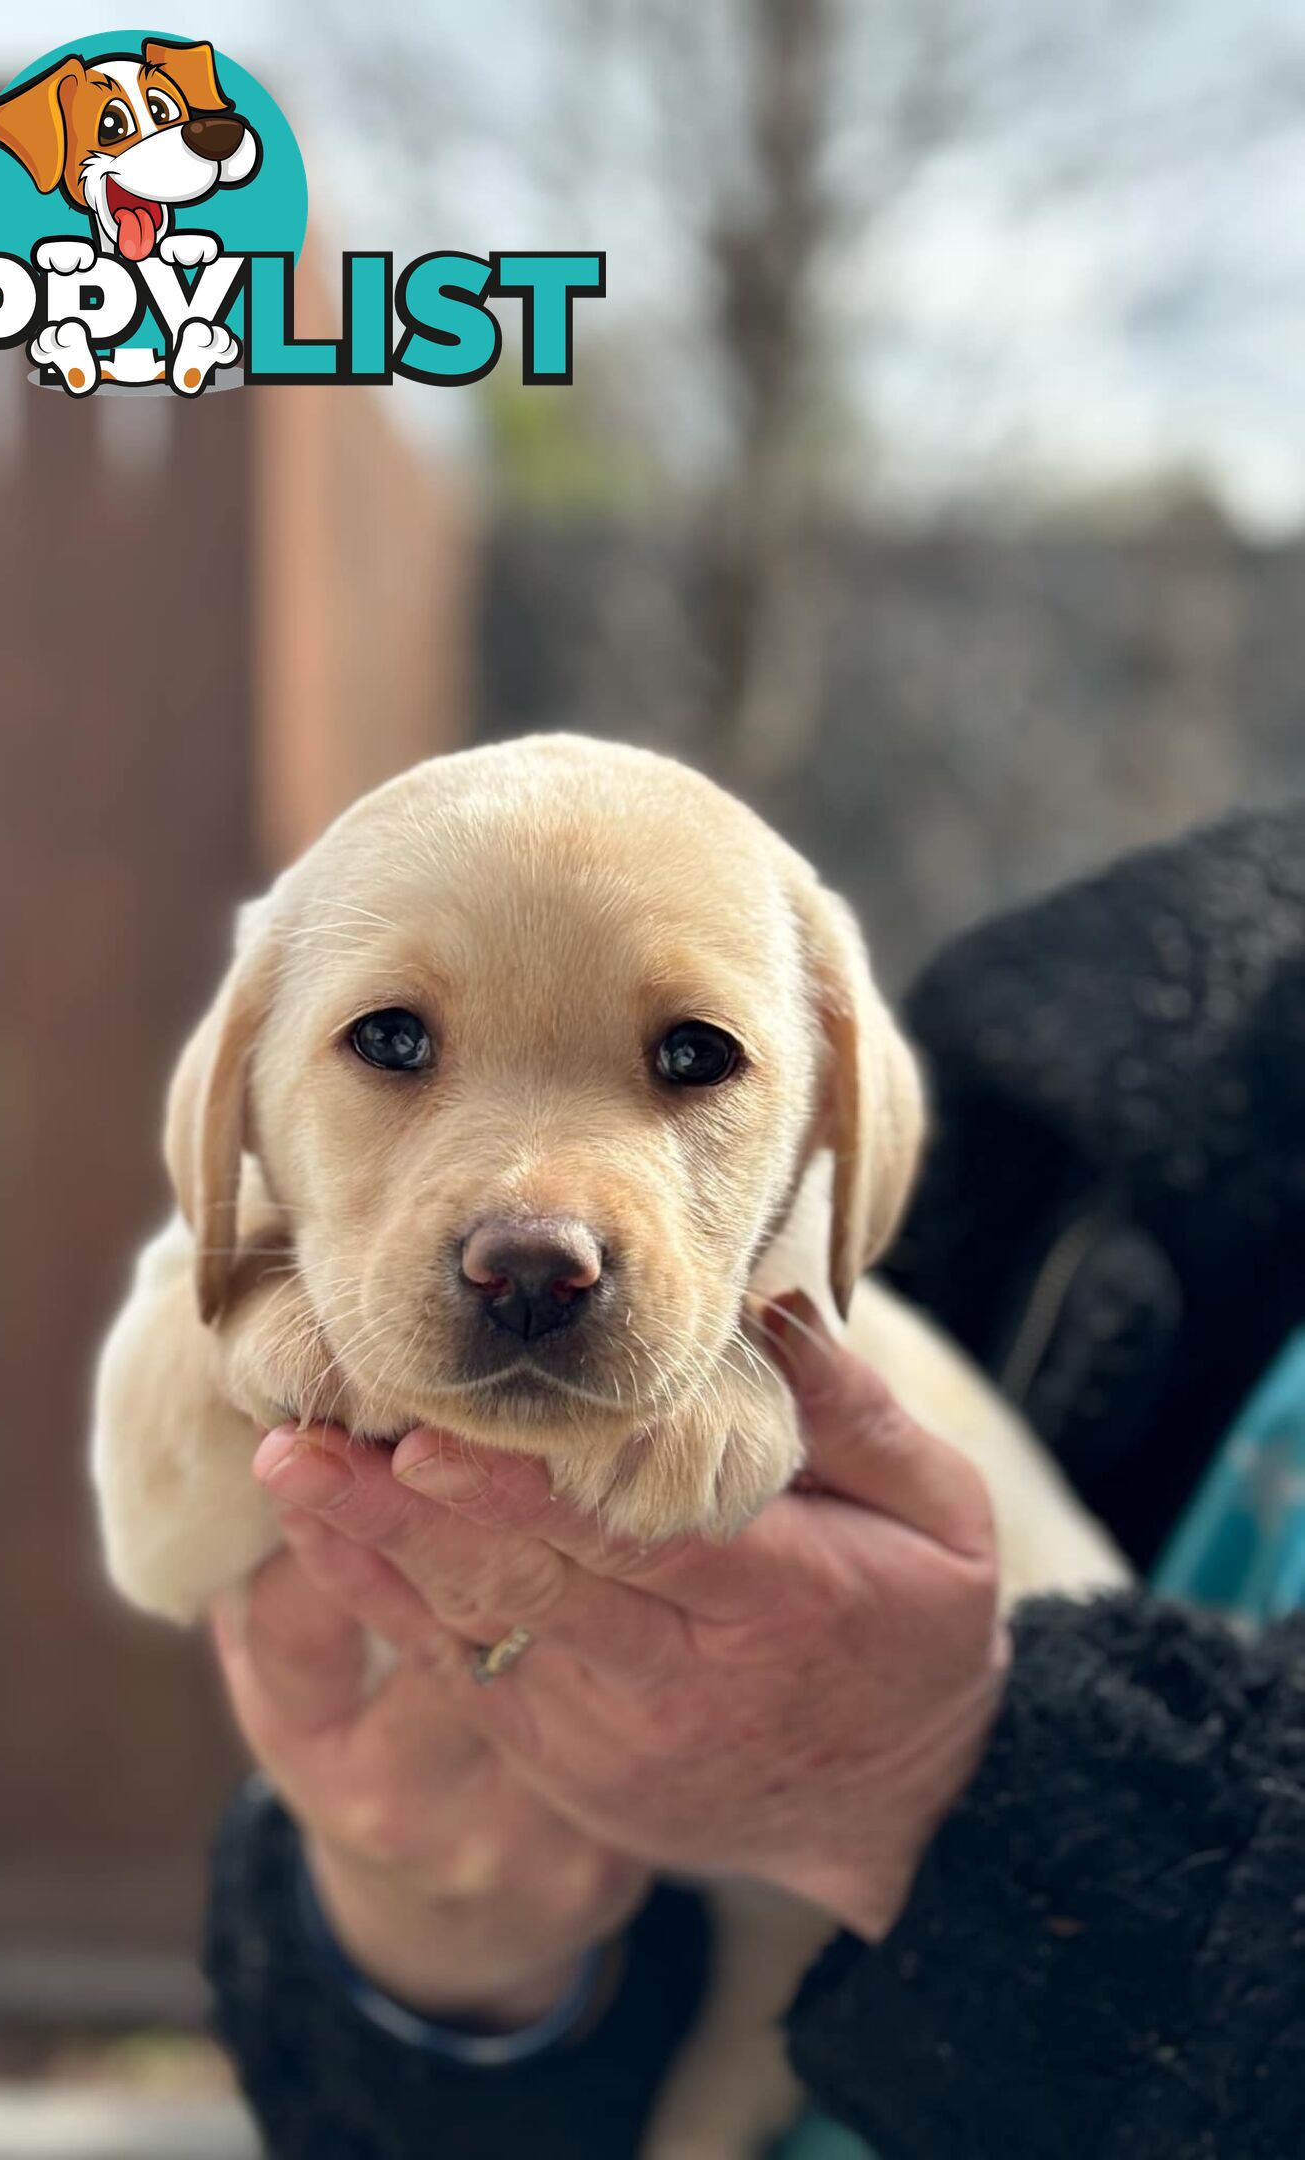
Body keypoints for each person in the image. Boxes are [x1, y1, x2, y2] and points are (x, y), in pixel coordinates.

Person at [202, 806, 1305, 2159]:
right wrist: (444, 1959)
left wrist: (958, 1783)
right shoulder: (1106, 1013)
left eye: (689, 1056)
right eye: (393, 1042)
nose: (531, 1226)